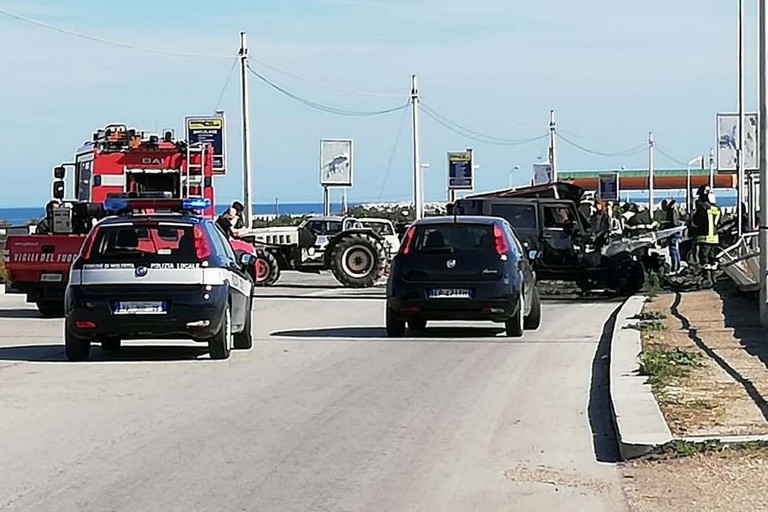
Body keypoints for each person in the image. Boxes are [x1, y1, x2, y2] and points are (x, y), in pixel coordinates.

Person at [690, 185, 721, 280]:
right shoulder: (717, 209)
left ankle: (707, 278)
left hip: (704, 237)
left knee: (704, 258)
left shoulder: (702, 207)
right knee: (712, 258)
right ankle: (713, 277)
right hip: (715, 238)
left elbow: (696, 222)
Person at [661, 199, 682, 273]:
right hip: (674, 233)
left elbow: (675, 223)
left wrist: (666, 225)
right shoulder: (673, 210)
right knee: (675, 251)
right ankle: (677, 266)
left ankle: (675, 267)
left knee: (674, 251)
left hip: (674, 234)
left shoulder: (672, 211)